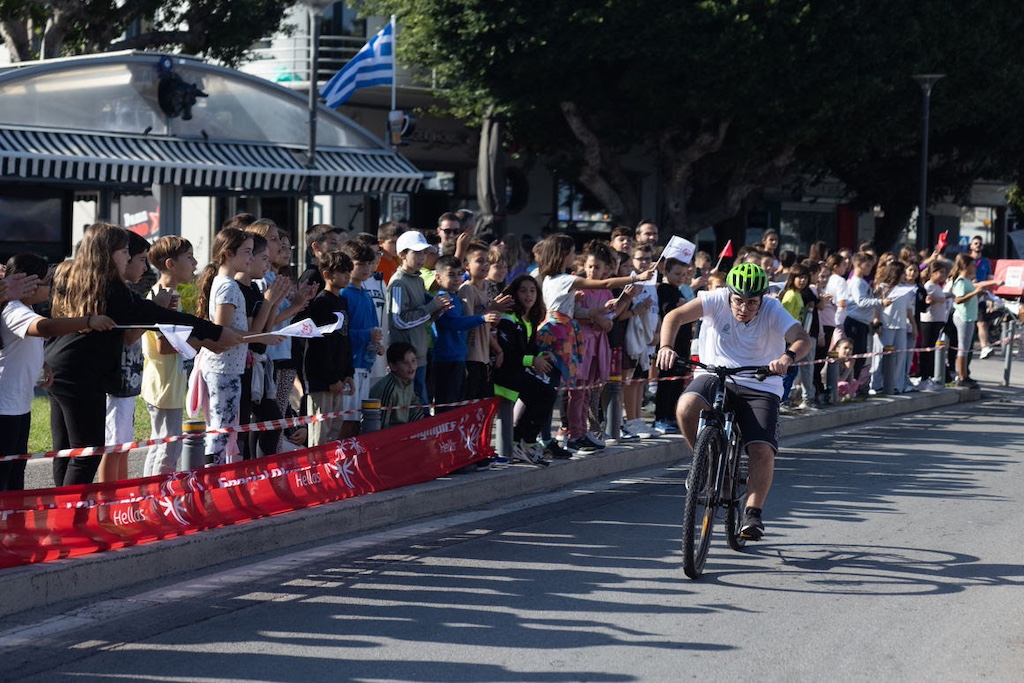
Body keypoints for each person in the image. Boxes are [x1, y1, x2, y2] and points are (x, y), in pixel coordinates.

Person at [47, 223, 235, 486]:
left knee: (68, 450)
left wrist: (209, 333)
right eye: (124, 252)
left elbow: (151, 314)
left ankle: (64, 514)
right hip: (79, 373)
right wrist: (213, 332)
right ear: (107, 253)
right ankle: (72, 518)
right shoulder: (111, 287)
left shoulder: (80, 278)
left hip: (60, 368)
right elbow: (157, 316)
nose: (127, 257)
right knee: (87, 452)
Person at [656, 262, 812, 540]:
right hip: (715, 374)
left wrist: (787, 357)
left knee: (762, 449)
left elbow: (801, 338)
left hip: (760, 382)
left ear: (762, 298)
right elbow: (674, 317)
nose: (744, 308)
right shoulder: (715, 300)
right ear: (729, 294)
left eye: (752, 302)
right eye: (739, 301)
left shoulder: (773, 310)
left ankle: (752, 513)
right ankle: (705, 463)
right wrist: (666, 346)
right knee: (685, 407)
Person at [0, 255, 116, 491]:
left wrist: (42, 364)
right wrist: (89, 321)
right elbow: (46, 328)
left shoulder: (25, 309)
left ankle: (12, 525)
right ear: (30, 284)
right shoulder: (14, 310)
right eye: (47, 283)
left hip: (18, 407)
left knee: (15, 474)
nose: (51, 289)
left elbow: (25, 342)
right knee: (5, 476)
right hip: (5, 411)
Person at [194, 228, 258, 465]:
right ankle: (212, 476)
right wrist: (261, 336)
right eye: (247, 252)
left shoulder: (226, 283)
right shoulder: (228, 286)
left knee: (224, 425)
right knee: (222, 427)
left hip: (229, 367)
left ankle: (216, 473)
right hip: (223, 368)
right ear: (228, 254)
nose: (250, 258)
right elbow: (222, 331)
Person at [493, 274, 564, 464]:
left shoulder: (530, 319)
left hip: (518, 372)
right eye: (523, 290)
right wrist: (532, 360)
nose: (528, 295)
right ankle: (524, 442)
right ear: (515, 294)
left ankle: (523, 441)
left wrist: (540, 357)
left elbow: (529, 350)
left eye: (532, 291)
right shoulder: (509, 319)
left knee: (547, 390)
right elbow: (508, 354)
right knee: (541, 391)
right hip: (503, 376)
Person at [141, 236, 197, 476]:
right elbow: (164, 345)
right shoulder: (160, 297)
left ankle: (151, 497)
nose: (195, 263)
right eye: (189, 257)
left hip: (170, 382)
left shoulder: (173, 296)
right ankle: (155, 499)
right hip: (162, 384)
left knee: (163, 444)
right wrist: (201, 341)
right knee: (168, 447)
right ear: (171, 264)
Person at [100, 230, 153, 483]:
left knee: (123, 444)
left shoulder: (129, 292)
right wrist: (158, 311)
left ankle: (120, 496)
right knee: (114, 446)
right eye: (141, 259)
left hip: (129, 380)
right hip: (116, 381)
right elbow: (129, 336)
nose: (145, 267)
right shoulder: (118, 294)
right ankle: (110, 500)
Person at [386, 230, 452, 405]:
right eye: (416, 252)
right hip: (405, 358)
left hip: (419, 354)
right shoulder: (399, 282)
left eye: (424, 252)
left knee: (421, 402)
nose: (422, 257)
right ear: (402, 255)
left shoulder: (419, 279)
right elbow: (398, 320)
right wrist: (432, 307)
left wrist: (437, 311)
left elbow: (421, 317)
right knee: (411, 405)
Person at [432, 255, 499, 412]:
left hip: (458, 359)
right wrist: (482, 318)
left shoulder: (454, 297)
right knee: (447, 407)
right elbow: (453, 324)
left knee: (458, 405)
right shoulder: (442, 298)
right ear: (438, 278)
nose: (456, 279)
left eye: (459, 274)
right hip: (445, 361)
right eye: (451, 274)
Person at [303, 251, 356, 445]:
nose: (347, 276)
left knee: (335, 426)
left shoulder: (341, 301)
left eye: (348, 272)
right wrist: (331, 378)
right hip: (322, 379)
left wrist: (347, 373)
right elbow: (319, 344)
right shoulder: (321, 303)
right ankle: (315, 470)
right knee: (320, 429)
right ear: (326, 274)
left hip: (339, 378)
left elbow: (344, 340)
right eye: (342, 272)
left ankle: (329, 470)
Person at [339, 239, 385, 437]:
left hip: (365, 364)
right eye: (360, 264)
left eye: (369, 263)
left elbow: (374, 326)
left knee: (358, 419)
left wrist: (377, 342)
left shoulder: (366, 294)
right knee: (346, 419)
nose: (367, 268)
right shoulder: (343, 294)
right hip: (349, 365)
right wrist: (367, 335)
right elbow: (340, 332)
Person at [949, 253, 1000, 388]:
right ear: (965, 266)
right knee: (963, 348)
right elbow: (958, 299)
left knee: (967, 348)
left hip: (970, 315)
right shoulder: (960, 281)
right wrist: (975, 292)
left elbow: (970, 299)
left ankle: (965, 374)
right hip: (963, 317)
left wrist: (977, 295)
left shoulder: (967, 281)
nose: (975, 268)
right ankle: (961, 376)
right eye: (972, 265)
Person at [369, 341, 425, 430]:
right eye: (405, 363)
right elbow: (381, 424)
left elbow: (415, 411)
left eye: (413, 361)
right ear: (393, 366)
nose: (412, 366)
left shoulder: (408, 382)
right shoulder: (390, 387)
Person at [918, 261, 953, 390]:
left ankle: (930, 375)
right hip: (929, 320)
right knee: (927, 348)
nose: (943, 275)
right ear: (933, 273)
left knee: (932, 348)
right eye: (941, 272)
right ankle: (924, 376)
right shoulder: (929, 286)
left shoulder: (937, 286)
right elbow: (928, 300)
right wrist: (938, 300)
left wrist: (947, 295)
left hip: (938, 320)